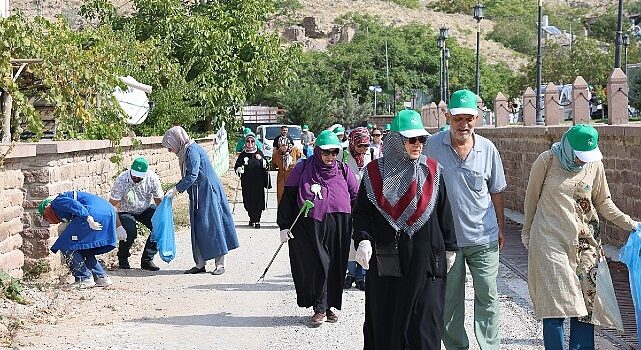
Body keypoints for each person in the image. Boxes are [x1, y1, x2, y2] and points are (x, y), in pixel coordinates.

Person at [522, 124, 640, 350]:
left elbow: (603, 202)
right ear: (568, 145)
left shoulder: (594, 164)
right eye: (579, 156)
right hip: (550, 243)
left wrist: (631, 224)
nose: (582, 161)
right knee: (554, 306)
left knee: (586, 307)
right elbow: (531, 200)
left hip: (587, 246)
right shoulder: (546, 161)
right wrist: (527, 232)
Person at [352, 110, 458, 349]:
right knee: (388, 325)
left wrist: (450, 248)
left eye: (421, 139)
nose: (418, 145)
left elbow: (444, 212)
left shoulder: (432, 171)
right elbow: (361, 214)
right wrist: (363, 240)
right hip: (388, 266)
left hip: (427, 264)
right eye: (411, 140)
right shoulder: (373, 173)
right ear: (395, 140)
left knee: (425, 326)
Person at [424, 89, 507, 350]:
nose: (464, 124)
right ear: (448, 117)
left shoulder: (488, 149)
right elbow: (420, 186)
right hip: (447, 241)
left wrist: (501, 229)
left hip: (484, 238)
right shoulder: (433, 146)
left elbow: (497, 192)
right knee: (450, 301)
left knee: (489, 297)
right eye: (458, 118)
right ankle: (457, 347)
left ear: (478, 118)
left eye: (469, 118)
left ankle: (489, 346)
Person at [277, 130, 359, 326]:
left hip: (339, 224)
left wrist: (359, 226)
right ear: (316, 151)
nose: (330, 157)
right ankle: (319, 307)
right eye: (326, 152)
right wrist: (284, 225)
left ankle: (328, 306)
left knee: (335, 265)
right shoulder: (303, 168)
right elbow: (288, 197)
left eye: (334, 152)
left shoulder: (343, 169)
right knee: (317, 265)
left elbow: (356, 196)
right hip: (310, 225)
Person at [162, 126, 239, 275]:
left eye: (170, 146)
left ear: (177, 141)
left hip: (208, 192)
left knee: (213, 225)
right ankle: (200, 263)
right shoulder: (185, 152)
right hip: (197, 193)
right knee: (198, 227)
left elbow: (192, 175)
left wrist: (176, 189)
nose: (169, 150)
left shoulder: (192, 151)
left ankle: (220, 264)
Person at [39, 191, 124, 288]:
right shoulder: (65, 201)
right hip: (107, 212)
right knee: (83, 247)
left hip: (92, 213)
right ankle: (102, 277)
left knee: (66, 245)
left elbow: (74, 204)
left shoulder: (56, 202)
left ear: (47, 209)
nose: (48, 221)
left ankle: (84, 278)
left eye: (45, 217)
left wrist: (88, 218)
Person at [109, 157, 163, 271]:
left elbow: (159, 201)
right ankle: (123, 257)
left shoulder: (152, 178)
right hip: (126, 210)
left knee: (159, 226)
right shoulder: (122, 179)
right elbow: (112, 205)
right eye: (134, 176)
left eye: (139, 177)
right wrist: (118, 226)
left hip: (145, 208)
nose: (136, 178)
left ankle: (147, 260)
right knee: (130, 231)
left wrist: (164, 218)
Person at [343, 127, 372, 291]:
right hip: (347, 203)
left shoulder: (372, 154)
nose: (363, 150)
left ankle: (362, 275)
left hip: (366, 203)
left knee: (364, 236)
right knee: (349, 240)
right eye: (360, 146)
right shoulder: (343, 155)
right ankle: (351, 273)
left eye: (366, 146)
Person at [234, 133, 269, 228]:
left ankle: (257, 220)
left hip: (258, 182)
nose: (250, 143)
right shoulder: (243, 154)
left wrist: (261, 160)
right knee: (248, 201)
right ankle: (252, 218)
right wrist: (238, 169)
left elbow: (267, 165)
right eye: (248, 141)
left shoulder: (259, 152)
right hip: (247, 182)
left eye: (252, 141)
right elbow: (237, 165)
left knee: (258, 201)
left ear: (255, 142)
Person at [272, 134, 303, 203]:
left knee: (293, 198)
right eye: (281, 146)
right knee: (281, 198)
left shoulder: (295, 150)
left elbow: (303, 159)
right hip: (281, 180)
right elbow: (273, 164)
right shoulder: (277, 154)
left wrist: (296, 165)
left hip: (293, 178)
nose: (283, 148)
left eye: (284, 145)